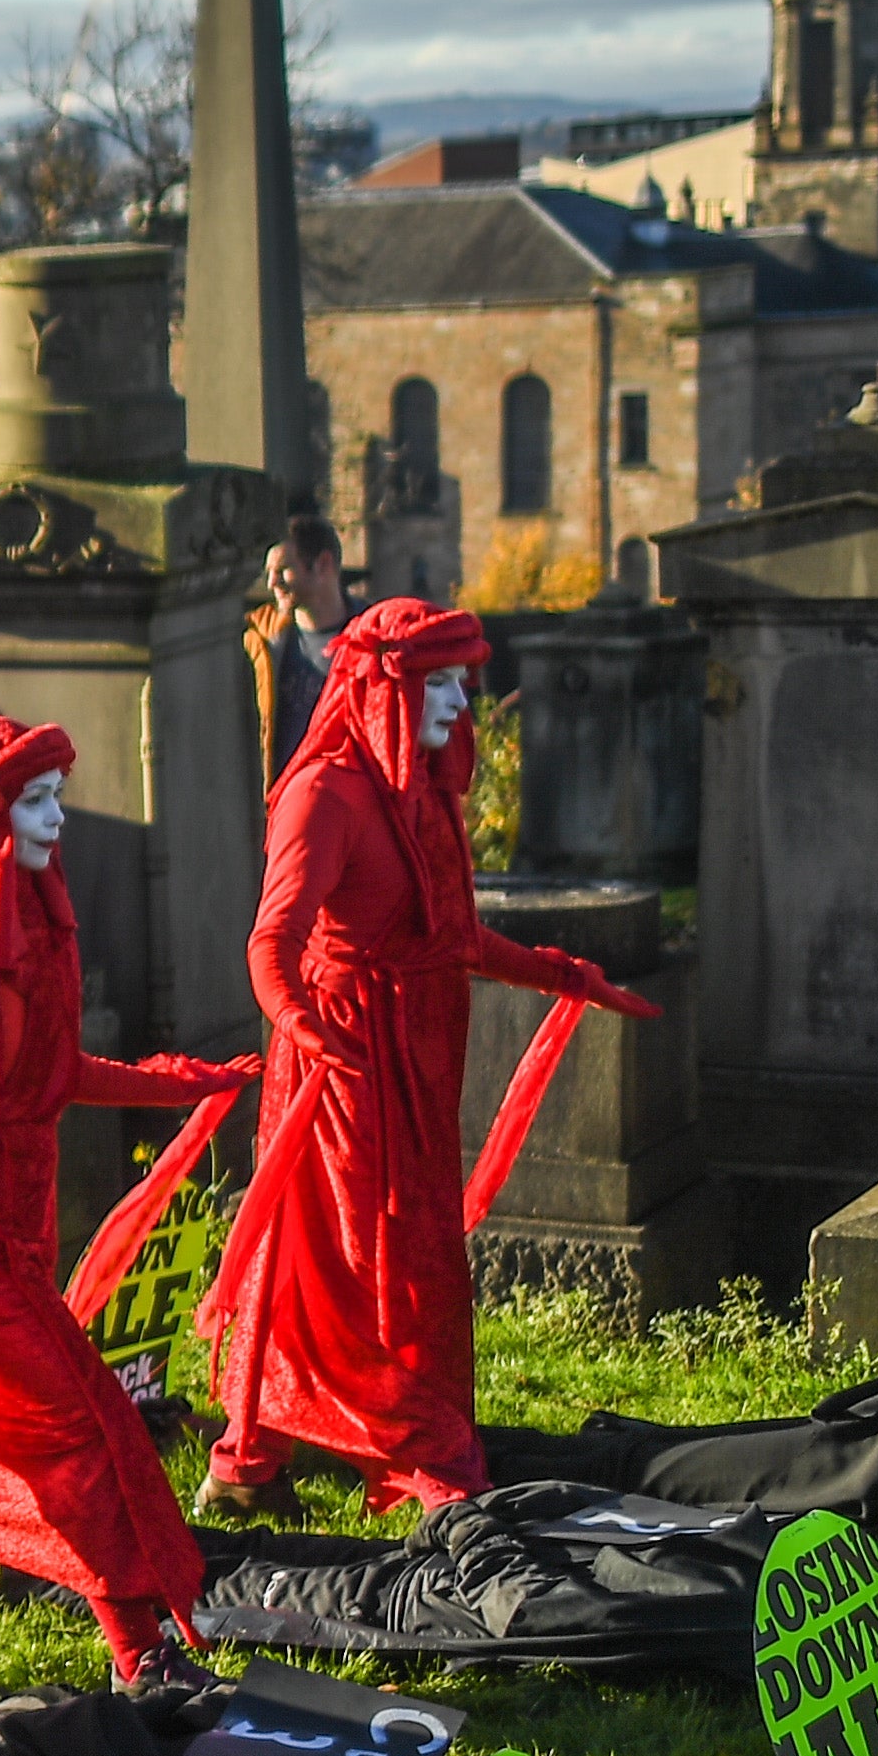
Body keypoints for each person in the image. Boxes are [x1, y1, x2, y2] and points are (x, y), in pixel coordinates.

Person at [197, 600, 661, 1512]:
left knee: (380, 1260)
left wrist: (558, 973)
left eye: (463, 680)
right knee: (354, 1264)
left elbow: (450, 938)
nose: (463, 701)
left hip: (415, 1059)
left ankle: (255, 1459)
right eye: (441, 683)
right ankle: (396, 1452)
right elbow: (271, 942)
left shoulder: (419, 787)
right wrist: (303, 1024)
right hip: (344, 1067)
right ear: (382, 688)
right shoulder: (323, 793)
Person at [0, 709, 257, 1686]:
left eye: (58, 793)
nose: (60, 816)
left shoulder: (25, 900)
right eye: (37, 798)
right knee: (76, 1422)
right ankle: (141, 1653)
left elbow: (48, 1072)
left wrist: (176, 1081)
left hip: (21, 1216)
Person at [246, 516, 347, 778]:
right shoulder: (261, 640)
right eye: (268, 573)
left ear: (323, 564)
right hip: (284, 804)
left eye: (282, 570)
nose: (271, 583)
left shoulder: (373, 637)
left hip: (350, 803)